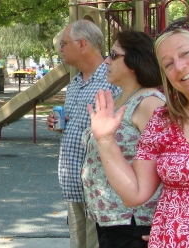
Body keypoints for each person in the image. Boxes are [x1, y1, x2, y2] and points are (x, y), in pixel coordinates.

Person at [90, 22, 189, 247]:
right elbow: (134, 194)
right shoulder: (163, 122)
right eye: (168, 64)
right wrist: (105, 140)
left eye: (185, 53)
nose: (180, 66)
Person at [81, 31, 165, 248]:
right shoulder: (122, 98)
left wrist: (163, 226)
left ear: (134, 62)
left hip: (135, 222)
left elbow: (168, 166)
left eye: (113, 55)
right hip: (111, 219)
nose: (106, 61)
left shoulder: (150, 104)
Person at [45, 20, 121, 248]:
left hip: (100, 191)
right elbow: (77, 129)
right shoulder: (75, 83)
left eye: (63, 43)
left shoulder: (111, 82)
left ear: (81, 44)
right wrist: (57, 124)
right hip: (73, 188)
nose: (60, 49)